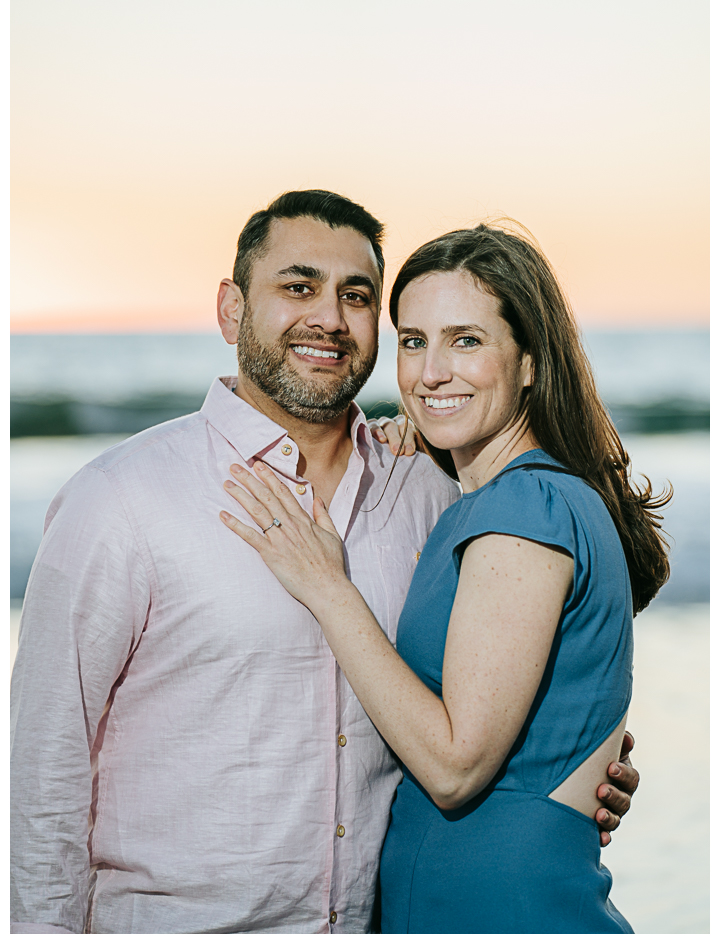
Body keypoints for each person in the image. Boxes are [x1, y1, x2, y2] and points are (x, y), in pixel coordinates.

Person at [10, 194, 637, 935]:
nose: (331, 319)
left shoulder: (433, 495)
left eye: (358, 296)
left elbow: (502, 688)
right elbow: (41, 775)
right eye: (298, 288)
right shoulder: (119, 502)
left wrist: (570, 758)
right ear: (232, 311)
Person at [219, 220, 670, 934]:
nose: (430, 373)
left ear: (528, 361)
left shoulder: (527, 504)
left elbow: (456, 766)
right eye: (413, 341)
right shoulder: (500, 500)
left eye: (466, 340)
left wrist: (328, 586)